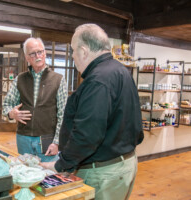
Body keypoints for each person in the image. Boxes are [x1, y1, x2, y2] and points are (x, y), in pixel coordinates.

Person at [40, 24, 144, 200]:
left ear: (84, 50)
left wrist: (60, 165)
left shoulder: (97, 80)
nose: (72, 56)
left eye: (73, 50)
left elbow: (87, 134)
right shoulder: (121, 71)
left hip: (104, 171)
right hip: (125, 163)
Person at [3, 37, 68, 162]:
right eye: (32, 53)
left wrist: (57, 142)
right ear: (27, 58)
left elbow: (63, 115)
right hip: (23, 138)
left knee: (48, 177)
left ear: (45, 53)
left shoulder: (58, 80)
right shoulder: (20, 79)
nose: (37, 56)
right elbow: (7, 104)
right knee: (26, 174)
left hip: (47, 139)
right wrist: (12, 113)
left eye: (40, 52)